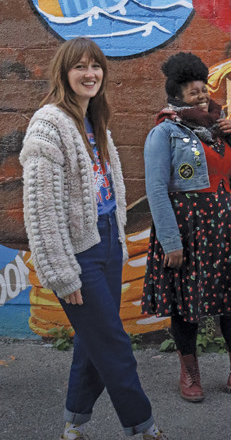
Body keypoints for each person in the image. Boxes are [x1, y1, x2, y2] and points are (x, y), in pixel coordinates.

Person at [21, 38, 169, 440]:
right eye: (80, 67)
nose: (90, 74)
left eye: (96, 66)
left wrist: (117, 240)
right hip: (78, 254)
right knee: (115, 344)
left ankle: (73, 424)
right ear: (64, 74)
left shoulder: (94, 120)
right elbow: (40, 208)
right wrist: (60, 272)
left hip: (107, 244)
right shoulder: (48, 123)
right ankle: (144, 427)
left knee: (94, 343)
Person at [140, 52, 231, 403]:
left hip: (221, 226)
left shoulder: (218, 128)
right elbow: (155, 189)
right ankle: (190, 376)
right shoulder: (163, 132)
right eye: (192, 91)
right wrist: (171, 241)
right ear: (176, 95)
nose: (201, 96)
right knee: (186, 305)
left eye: (203, 89)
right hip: (185, 231)